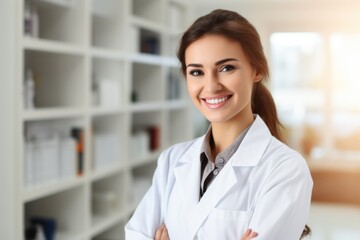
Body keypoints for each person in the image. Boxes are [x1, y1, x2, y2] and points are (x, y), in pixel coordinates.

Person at [125, 9, 313, 240]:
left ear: (257, 70)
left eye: (226, 68)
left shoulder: (286, 169)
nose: (211, 86)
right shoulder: (172, 160)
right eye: (196, 72)